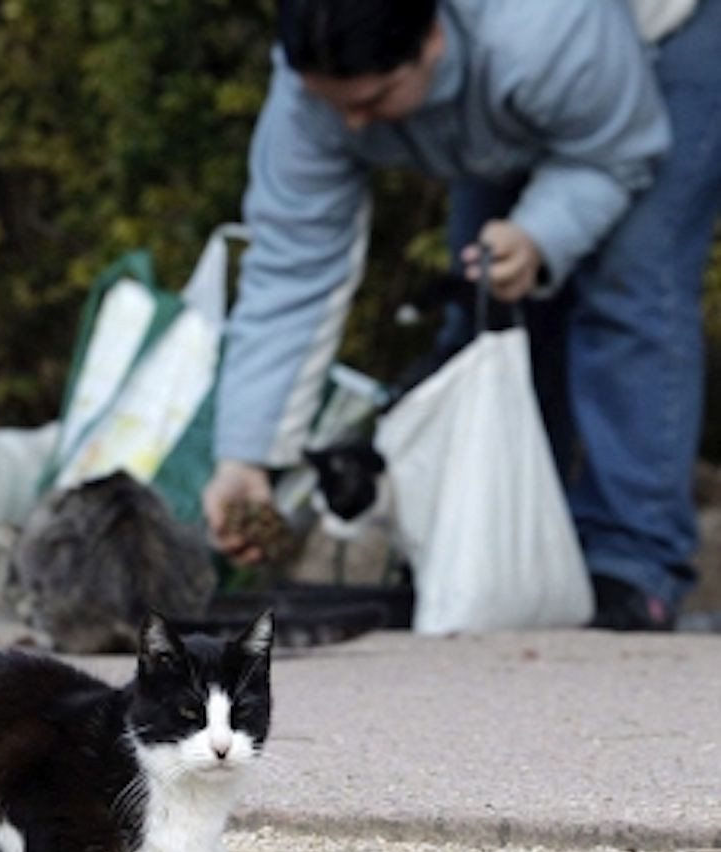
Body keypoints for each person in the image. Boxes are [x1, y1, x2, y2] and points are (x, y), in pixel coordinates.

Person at [202, 0, 721, 630]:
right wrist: (245, 458)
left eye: (375, 99)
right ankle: (502, 550)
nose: (355, 124)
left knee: (631, 283)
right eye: (337, 104)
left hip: (656, 44)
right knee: (485, 305)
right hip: (505, 88)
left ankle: (633, 568)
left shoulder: (537, 35)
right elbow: (291, 265)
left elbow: (616, 153)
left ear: (432, 41)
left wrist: (539, 233)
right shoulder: (314, 87)